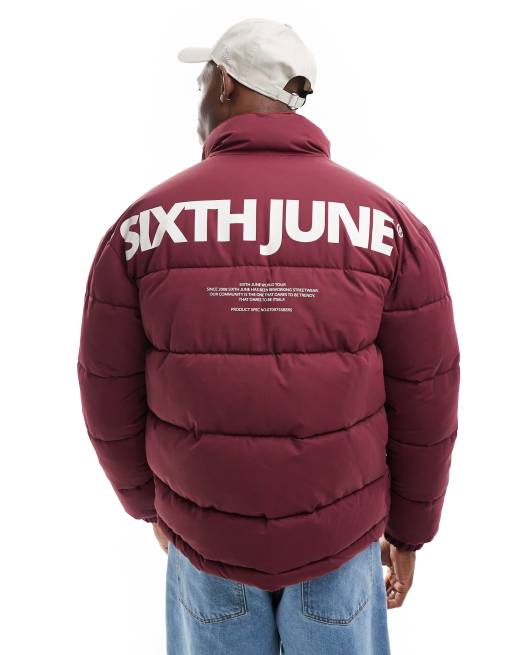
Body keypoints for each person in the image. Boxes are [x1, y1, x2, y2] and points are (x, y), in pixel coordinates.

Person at [76, 17, 460, 655]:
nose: (199, 99)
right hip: (340, 544)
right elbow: (426, 393)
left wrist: (151, 507)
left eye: (202, 82)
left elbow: (106, 390)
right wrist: (410, 529)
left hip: (206, 541)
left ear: (225, 84)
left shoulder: (143, 226)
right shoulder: (388, 224)